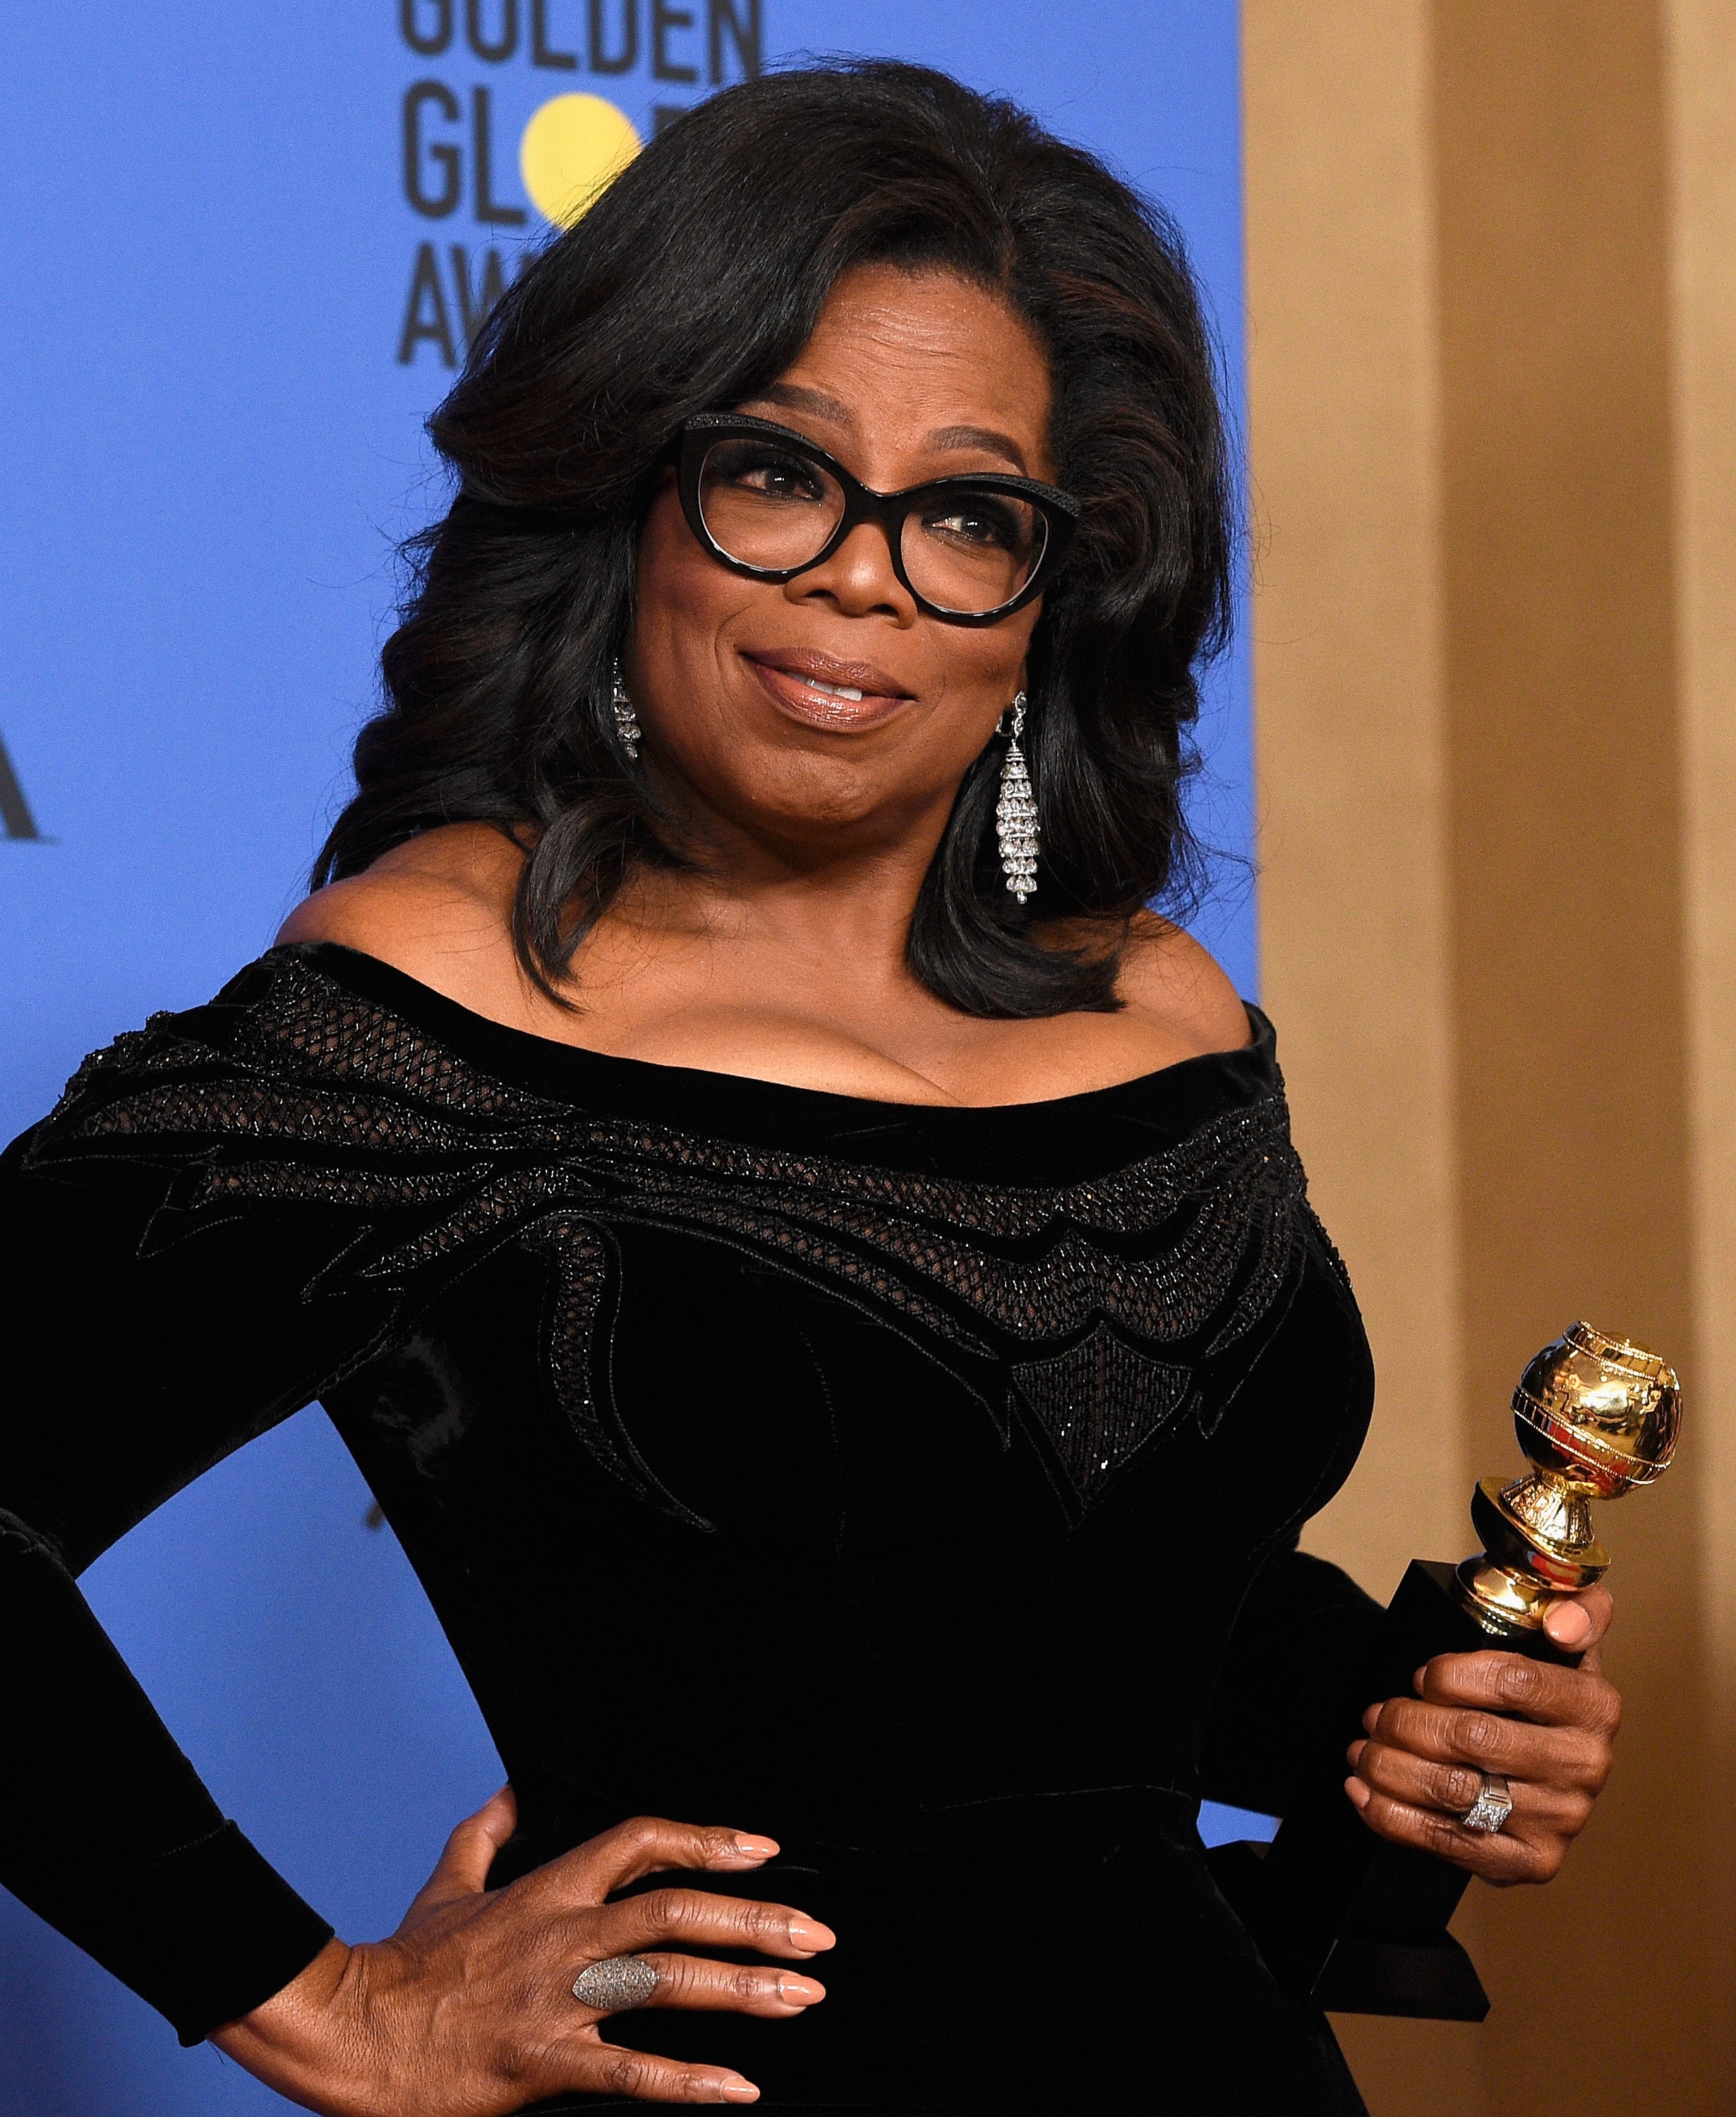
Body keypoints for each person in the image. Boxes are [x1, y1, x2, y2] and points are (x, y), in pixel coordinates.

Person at [0, 61, 1622, 2117]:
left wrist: (1397, 1724)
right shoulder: (430, 1007)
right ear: (624, 501)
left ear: (1052, 597)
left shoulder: (1158, 1009)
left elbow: (1041, 1627)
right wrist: (311, 1995)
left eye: (967, 515)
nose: (865, 578)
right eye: (779, 473)